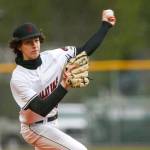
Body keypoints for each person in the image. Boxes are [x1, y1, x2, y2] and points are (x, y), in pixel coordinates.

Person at [9, 9, 116, 150]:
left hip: (53, 123)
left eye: (36, 40)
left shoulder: (54, 57)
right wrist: (64, 85)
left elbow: (85, 50)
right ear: (18, 46)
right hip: (34, 128)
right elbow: (42, 109)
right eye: (29, 42)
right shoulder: (18, 78)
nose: (35, 45)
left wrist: (105, 26)